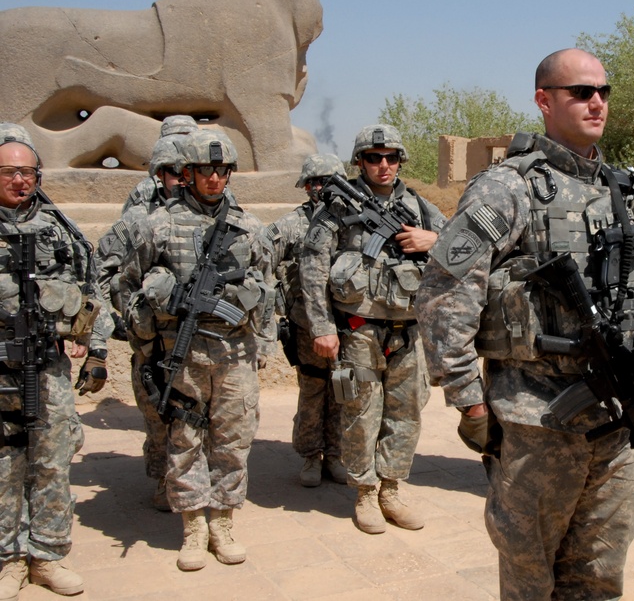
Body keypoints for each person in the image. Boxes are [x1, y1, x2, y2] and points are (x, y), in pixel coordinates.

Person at [416, 48, 634, 600]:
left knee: (600, 580)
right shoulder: (505, 188)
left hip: (617, 422)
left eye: (603, 91)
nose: (596, 102)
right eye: (581, 92)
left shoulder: (625, 191)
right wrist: (469, 398)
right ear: (544, 101)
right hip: (535, 422)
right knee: (531, 579)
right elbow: (444, 292)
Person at [118, 129, 274, 571]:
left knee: (233, 439)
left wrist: (263, 341)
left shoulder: (249, 226)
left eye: (222, 170)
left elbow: (269, 288)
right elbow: (123, 283)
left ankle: (222, 521)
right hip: (182, 352)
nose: (215, 178)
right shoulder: (157, 226)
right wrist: (147, 330)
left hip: (235, 352)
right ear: (187, 174)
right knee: (185, 438)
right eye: (205, 170)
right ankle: (193, 525)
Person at [300, 124, 445, 535]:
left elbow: (461, 242)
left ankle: (392, 490)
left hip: (409, 330)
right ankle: (365, 492)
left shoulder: (418, 207)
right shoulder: (336, 207)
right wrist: (322, 327)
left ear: (401, 161)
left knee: (407, 412)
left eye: (392, 157)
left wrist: (432, 238)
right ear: (359, 161)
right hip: (358, 328)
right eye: (374, 157)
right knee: (361, 412)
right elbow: (313, 269)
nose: (384, 165)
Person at [0, 123, 109, 599]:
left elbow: (92, 291)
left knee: (52, 462)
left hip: (46, 367)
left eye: (27, 172)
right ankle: (8, 559)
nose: (19, 181)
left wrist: (92, 345)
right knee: (5, 465)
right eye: (8, 172)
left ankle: (46, 555)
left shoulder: (60, 230)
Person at [94, 115, 196, 511]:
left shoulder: (214, 206)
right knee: (157, 412)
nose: (182, 177)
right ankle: (162, 478)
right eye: (173, 170)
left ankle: (193, 484)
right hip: (153, 336)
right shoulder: (140, 214)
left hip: (198, 336)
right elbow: (104, 272)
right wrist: (122, 322)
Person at [268, 152, 349, 487]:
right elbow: (260, 260)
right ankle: (309, 456)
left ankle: (336, 454)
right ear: (305, 187)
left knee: (344, 391)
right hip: (307, 328)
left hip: (348, 326)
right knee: (313, 391)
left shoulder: (352, 221)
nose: (321, 188)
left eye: (328, 182)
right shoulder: (291, 225)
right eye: (315, 182)